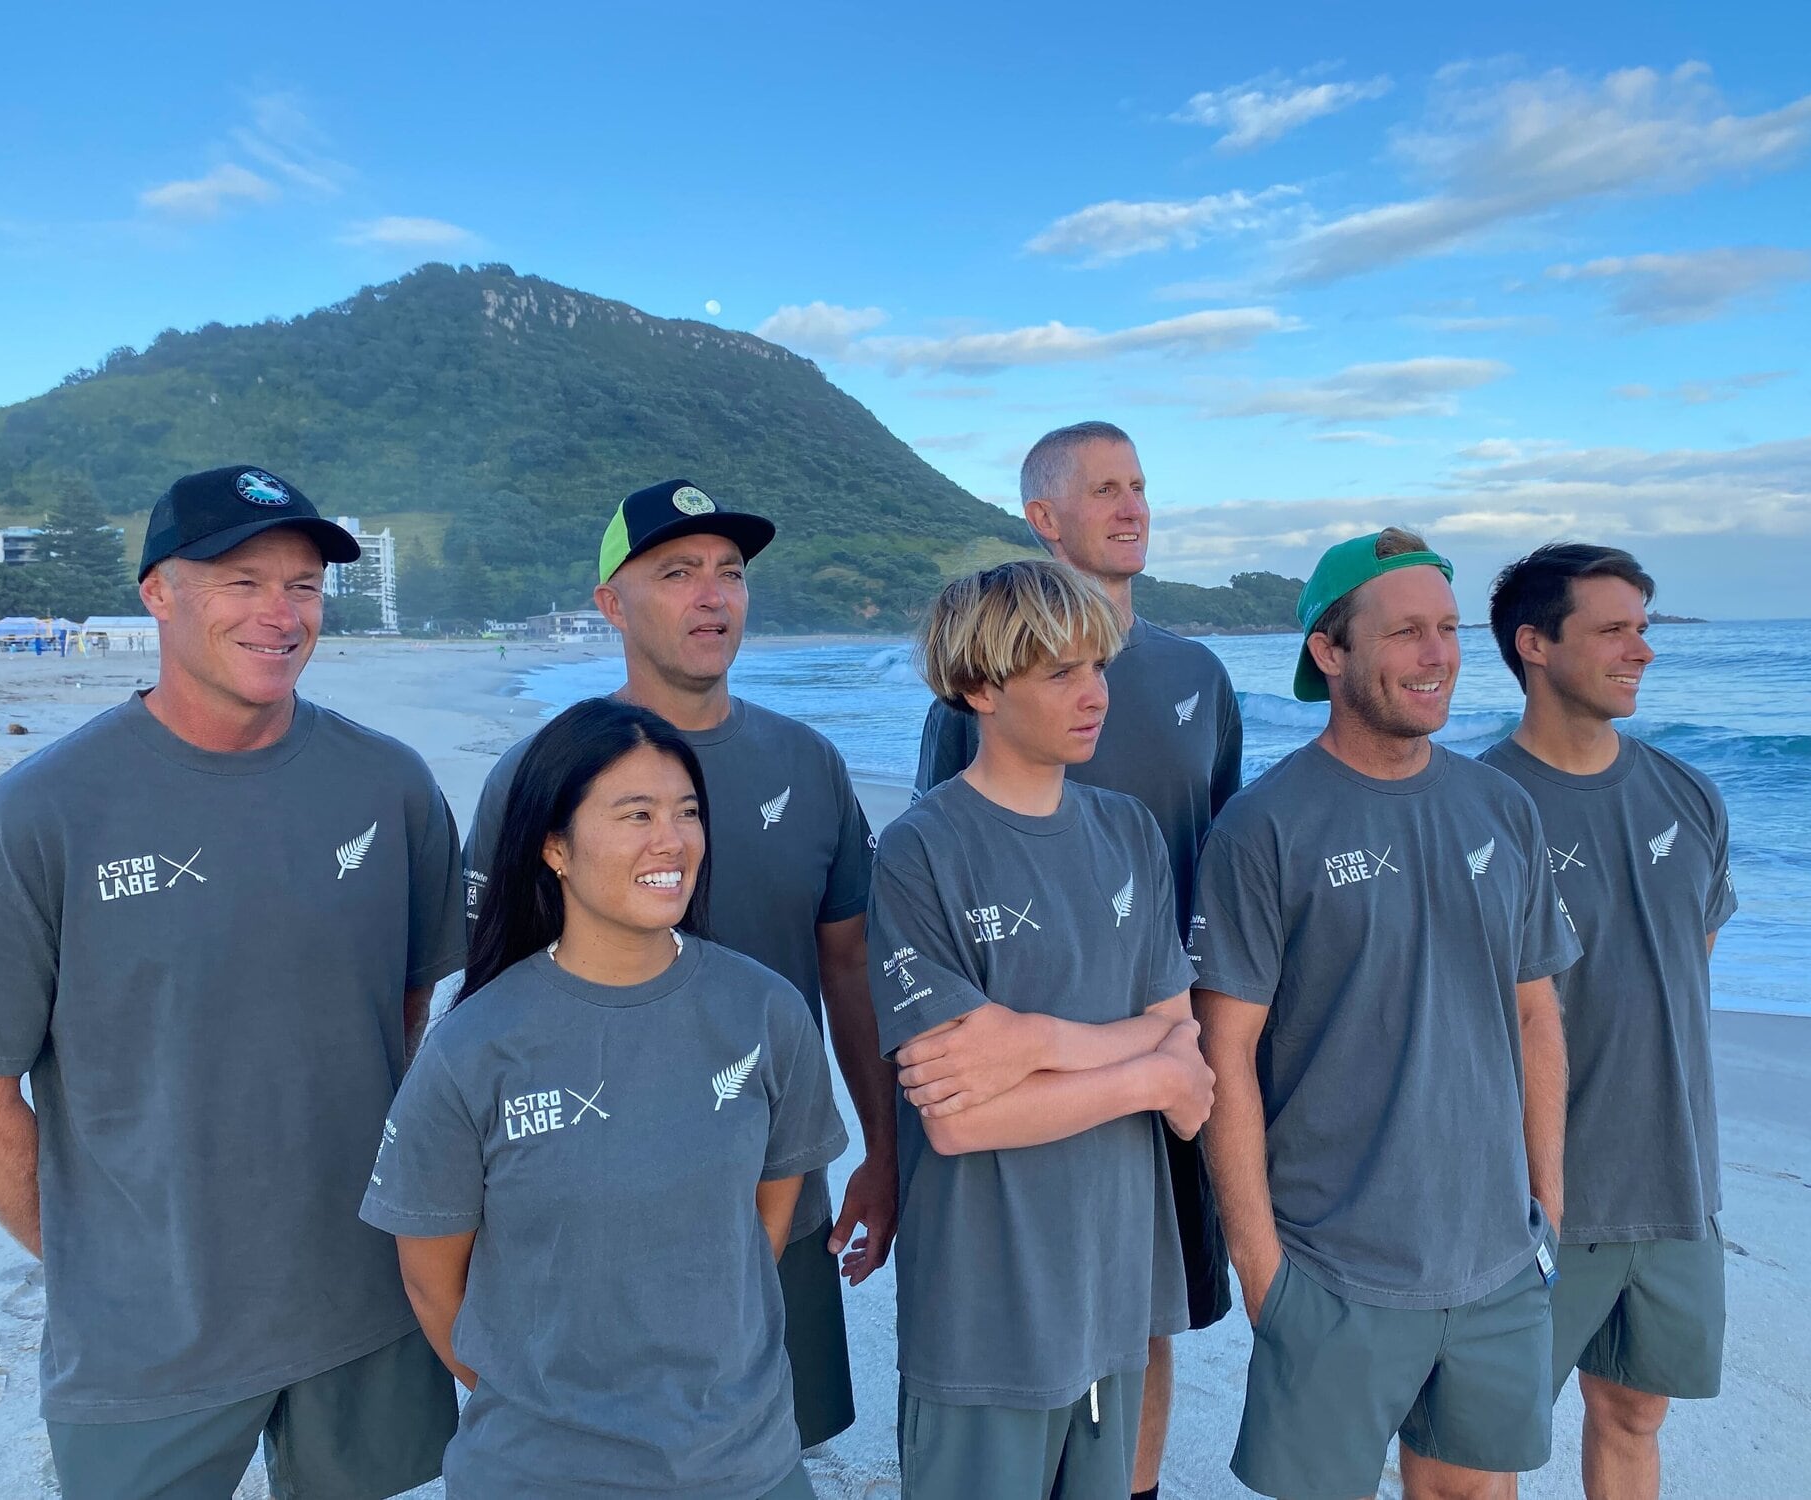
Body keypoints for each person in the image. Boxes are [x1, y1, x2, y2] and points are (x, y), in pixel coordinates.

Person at [0, 465, 464, 1499]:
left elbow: (400, 1016)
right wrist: (106, 1271)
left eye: (302, 584)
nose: (278, 612)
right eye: (238, 579)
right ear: (156, 592)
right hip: (146, 1347)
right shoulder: (38, 815)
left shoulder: (389, 785)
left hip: (366, 1302)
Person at [463, 478, 895, 1447]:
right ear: (610, 602)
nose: (712, 595)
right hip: (592, 1217)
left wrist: (883, 1147)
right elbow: (486, 1008)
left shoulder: (810, 763)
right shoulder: (541, 776)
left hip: (773, 1193)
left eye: (729, 573)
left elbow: (849, 967)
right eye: (676, 572)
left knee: (768, 1451)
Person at [362, 699, 847, 1498]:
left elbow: (759, 1228)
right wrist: (549, 1411)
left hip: (744, 1468)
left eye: (687, 813)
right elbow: (430, 1280)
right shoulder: (473, 1046)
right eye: (636, 814)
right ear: (555, 846)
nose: (671, 840)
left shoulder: (764, 1013)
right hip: (540, 1474)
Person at [1190, 528, 1580, 1500]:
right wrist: (1260, 1271)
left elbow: (1536, 1015)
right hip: (1329, 1271)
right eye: (1404, 632)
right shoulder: (1263, 826)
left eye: (1445, 629)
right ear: (1330, 653)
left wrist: (1547, 1207)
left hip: (1494, 1266)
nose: (1436, 655)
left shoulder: (1501, 809)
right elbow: (1221, 1049)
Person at [914, 422, 1240, 1500]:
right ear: (1043, 518)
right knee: (1028, 1319)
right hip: (1028, 1088)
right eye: (1103, 489)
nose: (1131, 505)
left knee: (1147, 1304)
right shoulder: (967, 717)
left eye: (1139, 484)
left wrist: (1168, 1047)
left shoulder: (1196, 677)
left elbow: (1221, 870)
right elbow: (941, 899)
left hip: (1160, 1029)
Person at [1482, 544, 1737, 1500]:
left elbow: (1686, 972)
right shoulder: (1478, 809)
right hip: (1531, 1194)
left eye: (1645, 626)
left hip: (1675, 1180)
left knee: (1634, 1412)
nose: (1642, 650)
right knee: (1485, 1442)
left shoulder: (1689, 795)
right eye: (1615, 630)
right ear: (1535, 644)